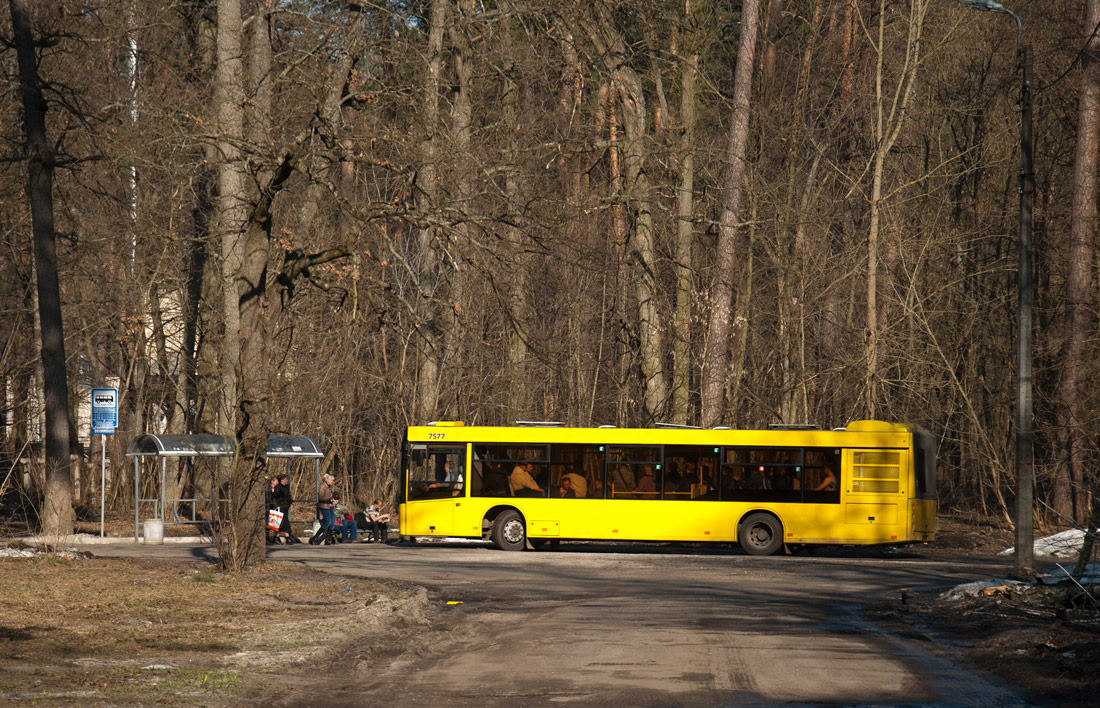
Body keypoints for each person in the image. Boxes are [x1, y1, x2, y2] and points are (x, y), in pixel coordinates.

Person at [314, 474, 337, 545]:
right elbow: (321, 498)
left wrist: (332, 499)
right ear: (327, 480)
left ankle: (328, 537)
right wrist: (329, 498)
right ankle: (316, 537)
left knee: (332, 522)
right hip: (324, 506)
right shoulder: (322, 487)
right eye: (332, 480)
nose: (333, 482)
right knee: (328, 521)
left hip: (329, 506)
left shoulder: (328, 487)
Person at [273, 473, 295, 543]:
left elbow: (288, 496)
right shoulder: (278, 487)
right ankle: (277, 536)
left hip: (285, 506)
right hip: (280, 507)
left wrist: (291, 501)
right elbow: (274, 497)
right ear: (282, 480)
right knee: (278, 522)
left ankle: (286, 536)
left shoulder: (286, 487)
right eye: (285, 479)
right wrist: (276, 505)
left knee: (284, 522)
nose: (287, 481)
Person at [265, 476, 280, 544]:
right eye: (276, 481)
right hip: (267, 506)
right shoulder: (268, 488)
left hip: (268, 506)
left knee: (269, 522)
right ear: (272, 481)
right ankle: (267, 538)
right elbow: (271, 498)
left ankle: (268, 538)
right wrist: (276, 505)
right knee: (267, 523)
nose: (277, 482)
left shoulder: (271, 487)